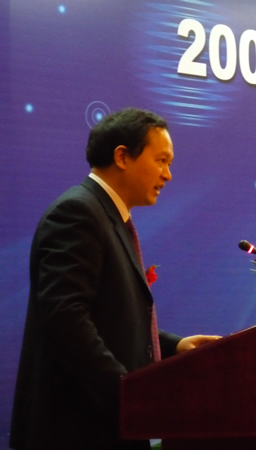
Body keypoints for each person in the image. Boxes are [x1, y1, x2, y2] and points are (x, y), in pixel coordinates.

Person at [9, 108, 219, 450]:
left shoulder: (108, 217)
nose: (168, 175)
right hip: (75, 429)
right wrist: (126, 391)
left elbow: (112, 319)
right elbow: (66, 317)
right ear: (122, 156)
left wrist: (175, 346)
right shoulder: (78, 212)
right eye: (161, 161)